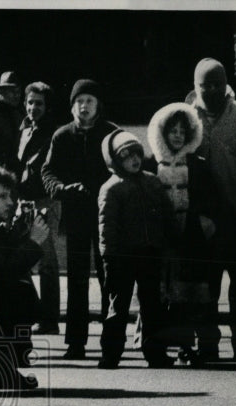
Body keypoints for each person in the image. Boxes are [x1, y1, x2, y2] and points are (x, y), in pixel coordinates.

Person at [187, 58, 236, 362]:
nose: (210, 90)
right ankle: (207, 345)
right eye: (203, 85)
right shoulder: (186, 117)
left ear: (226, 84)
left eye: (215, 84)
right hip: (204, 219)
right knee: (205, 287)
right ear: (194, 86)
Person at [41, 79, 117, 360]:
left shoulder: (111, 134)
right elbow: (47, 171)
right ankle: (76, 342)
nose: (84, 107)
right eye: (79, 101)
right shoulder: (62, 136)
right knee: (76, 278)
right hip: (75, 214)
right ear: (72, 106)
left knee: (110, 275)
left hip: (108, 215)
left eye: (90, 101)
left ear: (98, 106)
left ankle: (112, 340)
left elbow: (125, 165)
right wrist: (61, 189)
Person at [145, 102, 218, 366]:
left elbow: (211, 198)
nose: (177, 135)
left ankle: (194, 347)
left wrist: (204, 223)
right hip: (161, 240)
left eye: (182, 131)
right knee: (164, 296)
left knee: (190, 296)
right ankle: (167, 347)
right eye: (172, 130)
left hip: (191, 238)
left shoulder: (197, 164)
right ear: (162, 133)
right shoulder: (151, 163)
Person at [97, 131, 172, 369]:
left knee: (152, 306)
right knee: (118, 306)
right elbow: (107, 227)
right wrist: (109, 257)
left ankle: (155, 351)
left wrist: (168, 241)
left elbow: (166, 214)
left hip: (150, 252)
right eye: (126, 156)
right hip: (122, 256)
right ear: (116, 160)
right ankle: (111, 353)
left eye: (137, 154)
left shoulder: (152, 181)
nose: (134, 160)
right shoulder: (112, 188)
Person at [0, 165, 46, 390]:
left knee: (19, 293)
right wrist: (32, 244)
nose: (11, 202)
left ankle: (0, 371)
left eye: (11, 195)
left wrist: (18, 234)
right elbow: (0, 273)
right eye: (2, 196)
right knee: (18, 294)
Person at [16, 82, 60, 335]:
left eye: (39, 103)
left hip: (45, 201)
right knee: (23, 258)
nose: (34, 107)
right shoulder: (23, 128)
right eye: (30, 102)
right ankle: (34, 312)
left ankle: (50, 320)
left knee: (47, 261)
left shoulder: (51, 133)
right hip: (23, 200)